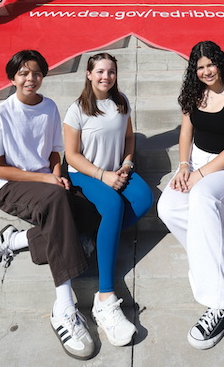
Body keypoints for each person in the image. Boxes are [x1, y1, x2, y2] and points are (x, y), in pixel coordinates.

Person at [0, 50, 96, 360]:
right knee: (57, 202)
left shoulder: (50, 107)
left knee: (91, 211)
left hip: (46, 184)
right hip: (9, 186)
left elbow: (56, 153)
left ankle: (14, 240)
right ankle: (64, 307)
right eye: (24, 73)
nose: (31, 78)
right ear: (12, 77)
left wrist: (57, 176)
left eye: (37, 72)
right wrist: (46, 182)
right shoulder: (0, 113)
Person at [158, 41, 224, 351]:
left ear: (220, 63)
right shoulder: (193, 93)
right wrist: (184, 166)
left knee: (202, 198)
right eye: (199, 67)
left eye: (210, 64)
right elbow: (186, 134)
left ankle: (220, 301)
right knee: (168, 206)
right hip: (198, 163)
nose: (205, 71)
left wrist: (200, 175)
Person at [64, 53, 153, 347]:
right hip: (85, 175)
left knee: (143, 198)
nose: (106, 76)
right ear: (88, 74)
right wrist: (103, 176)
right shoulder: (76, 110)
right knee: (113, 205)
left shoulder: (121, 101)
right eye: (100, 71)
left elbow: (129, 138)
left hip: (116, 170)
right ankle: (104, 297)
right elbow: (72, 155)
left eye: (111, 71)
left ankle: (94, 237)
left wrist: (127, 163)